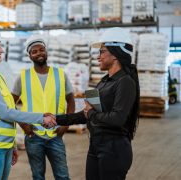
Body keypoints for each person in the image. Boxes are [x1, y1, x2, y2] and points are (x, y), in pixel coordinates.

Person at [0, 23, 56, 180]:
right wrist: (41, 118)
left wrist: (12, 144)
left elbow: (9, 108)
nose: (1, 50)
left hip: (3, 145)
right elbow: (4, 112)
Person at [56, 27, 140, 180]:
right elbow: (86, 114)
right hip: (96, 145)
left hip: (114, 149)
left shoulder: (125, 82)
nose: (98, 57)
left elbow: (117, 118)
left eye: (102, 51)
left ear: (115, 54)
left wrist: (91, 113)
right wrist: (56, 119)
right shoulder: (104, 82)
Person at [12, 35, 75, 180]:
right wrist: (23, 125)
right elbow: (11, 102)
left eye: (41, 50)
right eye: (34, 51)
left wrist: (66, 124)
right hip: (34, 136)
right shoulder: (23, 76)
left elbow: (71, 100)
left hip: (56, 135)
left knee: (63, 176)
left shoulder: (60, 74)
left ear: (46, 51)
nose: (39, 53)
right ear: (29, 56)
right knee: (38, 176)